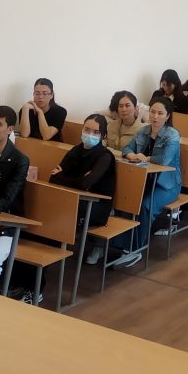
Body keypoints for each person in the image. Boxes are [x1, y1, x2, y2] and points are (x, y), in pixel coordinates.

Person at [51, 113, 116, 265]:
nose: (90, 134)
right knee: (52, 202)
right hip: (75, 197)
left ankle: (54, 249)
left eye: (96, 132)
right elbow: (53, 178)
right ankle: (48, 246)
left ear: (103, 135)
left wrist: (65, 178)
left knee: (64, 209)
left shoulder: (105, 156)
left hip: (97, 204)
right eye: (87, 130)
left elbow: (85, 183)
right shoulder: (76, 150)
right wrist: (79, 180)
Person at [122, 96, 182, 249]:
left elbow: (164, 160)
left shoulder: (172, 134)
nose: (155, 116)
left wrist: (145, 158)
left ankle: (135, 248)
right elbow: (126, 148)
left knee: (145, 206)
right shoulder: (143, 131)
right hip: (145, 180)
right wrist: (133, 155)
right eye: (152, 112)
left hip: (167, 185)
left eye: (160, 113)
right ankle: (119, 243)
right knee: (125, 201)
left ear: (167, 116)